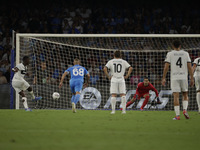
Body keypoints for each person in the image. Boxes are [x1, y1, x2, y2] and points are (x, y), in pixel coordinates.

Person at [162, 40, 194, 120]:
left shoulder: (170, 54)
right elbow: (189, 67)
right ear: (180, 46)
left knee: (176, 96)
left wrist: (163, 77)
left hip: (174, 77)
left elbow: (166, 67)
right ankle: (185, 110)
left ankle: (177, 116)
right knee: (185, 94)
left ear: (173, 46)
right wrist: (192, 77)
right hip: (184, 77)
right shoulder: (186, 53)